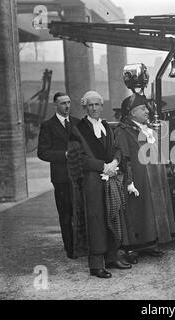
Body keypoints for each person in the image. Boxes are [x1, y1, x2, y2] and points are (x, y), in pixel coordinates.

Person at [68, 90, 132, 279]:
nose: (94, 108)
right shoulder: (77, 129)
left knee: (112, 215)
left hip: (110, 177)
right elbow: (77, 157)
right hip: (92, 181)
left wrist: (114, 163)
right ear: (85, 107)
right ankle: (96, 264)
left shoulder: (106, 126)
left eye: (97, 104)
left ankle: (112, 257)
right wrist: (102, 166)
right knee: (95, 220)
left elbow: (117, 149)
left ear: (102, 106)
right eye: (90, 105)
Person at [114, 93, 175, 263]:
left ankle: (150, 243)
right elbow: (124, 157)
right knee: (137, 211)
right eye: (142, 108)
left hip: (153, 178)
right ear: (132, 113)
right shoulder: (123, 131)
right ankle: (133, 247)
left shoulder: (148, 129)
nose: (147, 111)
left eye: (146, 108)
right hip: (137, 179)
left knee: (151, 211)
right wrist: (128, 181)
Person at [37, 92, 79, 259]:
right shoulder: (48, 126)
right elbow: (42, 152)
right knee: (66, 213)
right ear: (55, 105)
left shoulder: (77, 123)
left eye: (68, 102)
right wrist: (65, 155)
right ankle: (70, 249)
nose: (67, 106)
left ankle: (81, 244)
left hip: (78, 175)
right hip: (61, 177)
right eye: (63, 103)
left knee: (79, 211)